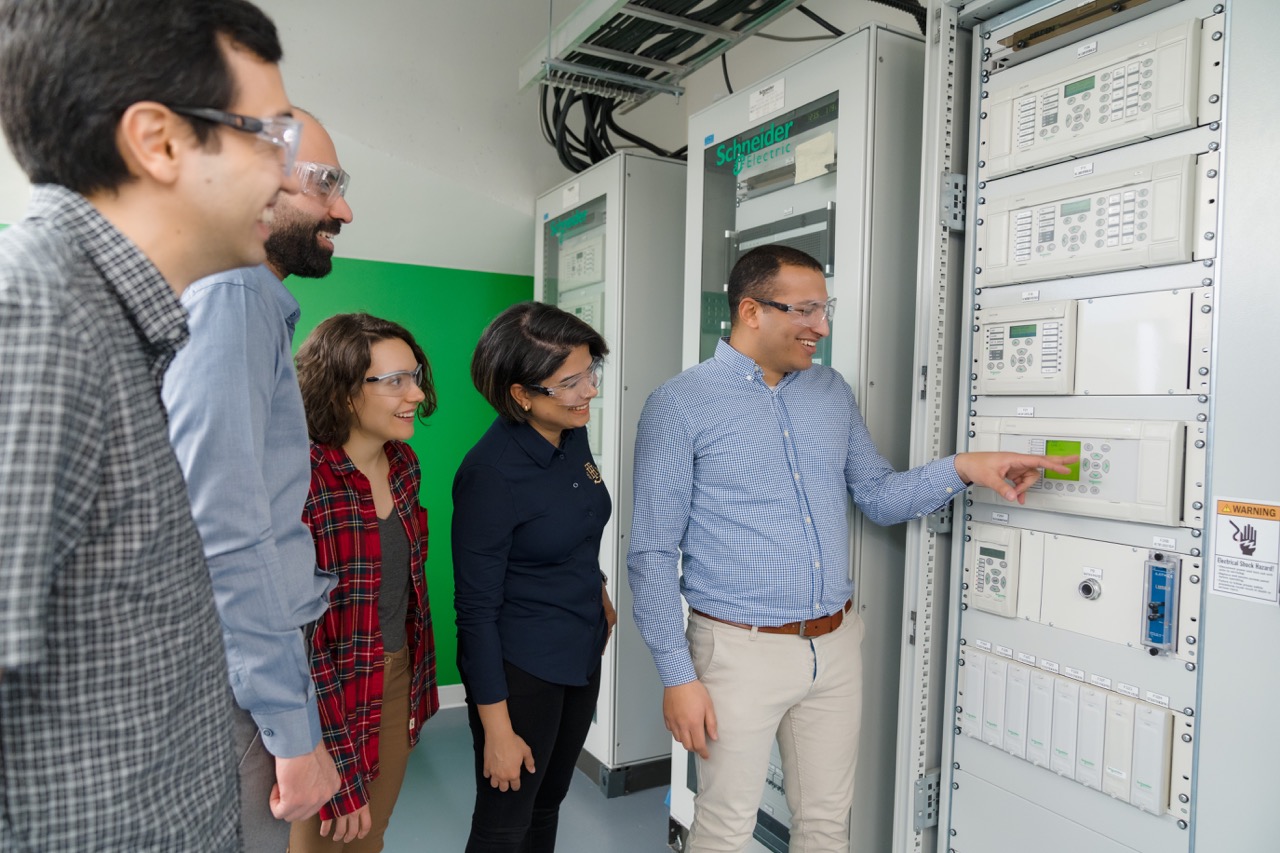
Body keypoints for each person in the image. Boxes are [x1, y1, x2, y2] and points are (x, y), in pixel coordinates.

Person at [627, 245, 1076, 853]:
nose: (822, 328)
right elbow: (651, 553)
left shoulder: (830, 392)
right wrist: (677, 676)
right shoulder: (680, 404)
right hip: (737, 653)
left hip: (835, 646)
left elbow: (880, 495)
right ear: (752, 311)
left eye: (825, 308)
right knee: (725, 830)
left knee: (826, 826)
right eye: (806, 311)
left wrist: (968, 467)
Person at [0, 1, 297, 850]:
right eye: (267, 135)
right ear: (158, 141)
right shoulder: (38, 321)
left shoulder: (120, 324)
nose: (285, 174)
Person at [161, 109, 354, 848]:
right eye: (327, 184)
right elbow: (229, 530)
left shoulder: (223, 293)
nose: (343, 208)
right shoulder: (233, 294)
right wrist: (292, 731)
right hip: (235, 683)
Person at [452, 302, 619, 852]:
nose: (589, 390)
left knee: (546, 806)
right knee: (505, 824)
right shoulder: (490, 475)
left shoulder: (571, 437)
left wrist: (595, 588)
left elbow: (576, 520)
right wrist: (497, 729)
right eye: (570, 382)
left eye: (590, 371)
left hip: (580, 651)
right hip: (522, 671)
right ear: (521, 395)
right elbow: (474, 614)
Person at [290, 313, 442, 852]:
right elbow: (300, 641)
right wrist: (339, 759)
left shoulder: (404, 464)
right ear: (344, 391)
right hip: (319, 694)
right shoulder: (301, 478)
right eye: (395, 381)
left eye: (415, 375)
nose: (417, 394)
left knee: (368, 839)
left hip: (396, 679)